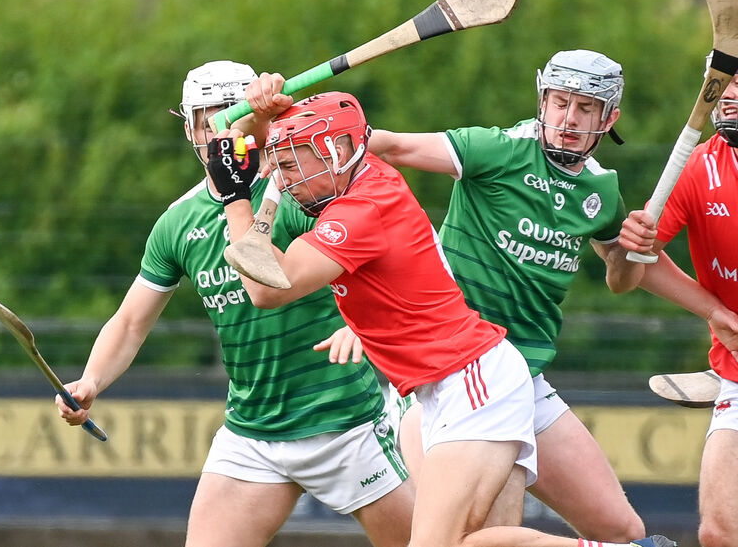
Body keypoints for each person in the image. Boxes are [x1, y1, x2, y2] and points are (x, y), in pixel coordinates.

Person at [207, 77, 675, 547]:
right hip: (442, 387)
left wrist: (235, 199)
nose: (284, 178)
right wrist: (256, 116)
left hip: (470, 380)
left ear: (336, 151)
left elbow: (268, 287)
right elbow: (264, 152)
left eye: (291, 165)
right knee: (469, 540)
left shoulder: (361, 210)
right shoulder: (360, 176)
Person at [54, 60, 415, 547]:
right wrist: (92, 379)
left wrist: (364, 325)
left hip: (344, 420)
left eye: (230, 113)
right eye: (204, 120)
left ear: (256, 116)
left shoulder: (300, 190)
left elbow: (386, 256)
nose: (217, 131)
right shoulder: (178, 223)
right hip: (252, 433)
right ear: (188, 128)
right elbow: (131, 322)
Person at [364, 49, 646, 540]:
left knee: (621, 527)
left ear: (608, 119)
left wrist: (633, 251)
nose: (569, 119)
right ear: (542, 100)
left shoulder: (601, 190)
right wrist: (302, 129)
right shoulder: (497, 149)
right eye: (560, 103)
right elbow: (390, 146)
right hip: (452, 374)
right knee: (471, 536)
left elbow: (620, 280)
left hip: (525, 377)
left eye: (585, 108)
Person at [619, 63, 738, 547]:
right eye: (724, 83)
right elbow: (636, 266)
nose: (728, 95)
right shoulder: (700, 167)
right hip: (735, 370)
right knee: (719, 531)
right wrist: (714, 312)